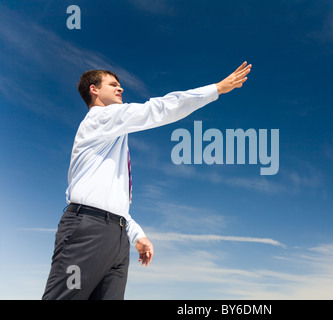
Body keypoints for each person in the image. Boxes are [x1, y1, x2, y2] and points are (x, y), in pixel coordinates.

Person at [42, 62, 252, 300]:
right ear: (94, 90)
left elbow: (109, 197)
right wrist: (216, 89)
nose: (121, 89)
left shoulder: (112, 136)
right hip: (87, 231)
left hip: (117, 237)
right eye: (113, 85)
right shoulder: (100, 119)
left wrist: (135, 234)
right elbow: (158, 109)